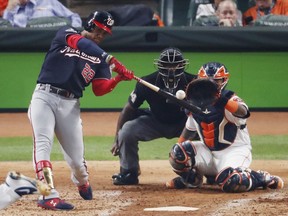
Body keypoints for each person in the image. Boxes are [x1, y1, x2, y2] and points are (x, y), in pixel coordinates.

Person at [27, 11, 134, 210]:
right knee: (42, 144)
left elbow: (99, 89)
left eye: (105, 33)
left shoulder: (100, 60)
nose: (101, 36)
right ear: (91, 24)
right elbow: (83, 44)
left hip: (70, 104)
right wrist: (109, 59)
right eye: (100, 30)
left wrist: (117, 79)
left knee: (77, 162)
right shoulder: (66, 34)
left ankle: (82, 181)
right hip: (44, 96)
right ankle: (47, 194)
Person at [166, 62, 284, 193]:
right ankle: (192, 181)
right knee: (177, 152)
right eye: (207, 81)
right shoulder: (197, 102)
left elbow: (243, 112)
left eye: (216, 81)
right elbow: (189, 129)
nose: (211, 84)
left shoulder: (230, 99)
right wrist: (177, 154)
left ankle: (261, 177)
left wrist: (221, 100)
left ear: (224, 81)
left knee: (231, 182)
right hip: (208, 153)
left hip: (234, 152)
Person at [111, 47, 197, 185]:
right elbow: (128, 109)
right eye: (167, 65)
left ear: (182, 65)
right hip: (155, 121)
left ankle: (208, 172)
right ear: (160, 66)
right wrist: (117, 138)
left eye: (175, 65)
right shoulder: (147, 82)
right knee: (127, 131)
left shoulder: (194, 82)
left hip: (185, 124)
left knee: (205, 130)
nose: (171, 69)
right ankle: (129, 172)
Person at [3, 0, 82, 27]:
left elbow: (74, 17)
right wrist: (9, 9)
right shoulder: (12, 9)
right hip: (21, 51)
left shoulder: (49, 2)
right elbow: (5, 29)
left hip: (53, 48)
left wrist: (72, 34)